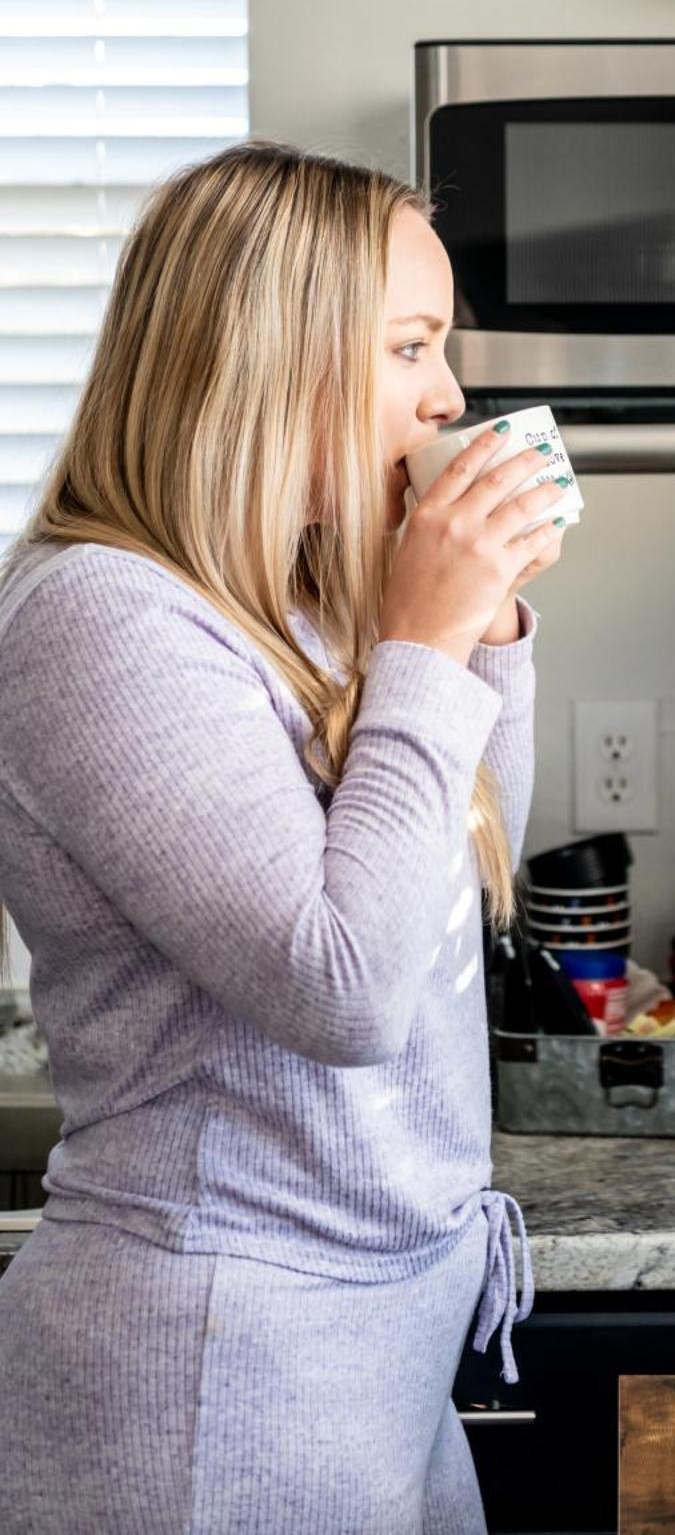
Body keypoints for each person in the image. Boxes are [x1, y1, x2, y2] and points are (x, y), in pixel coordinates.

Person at [0, 140, 565, 1533]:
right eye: (411, 349)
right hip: (213, 1372)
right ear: (268, 360)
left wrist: (481, 630)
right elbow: (346, 989)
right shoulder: (105, 617)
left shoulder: (313, 588)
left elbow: (461, 883)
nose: (448, 398)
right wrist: (430, 636)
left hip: (383, 1345)